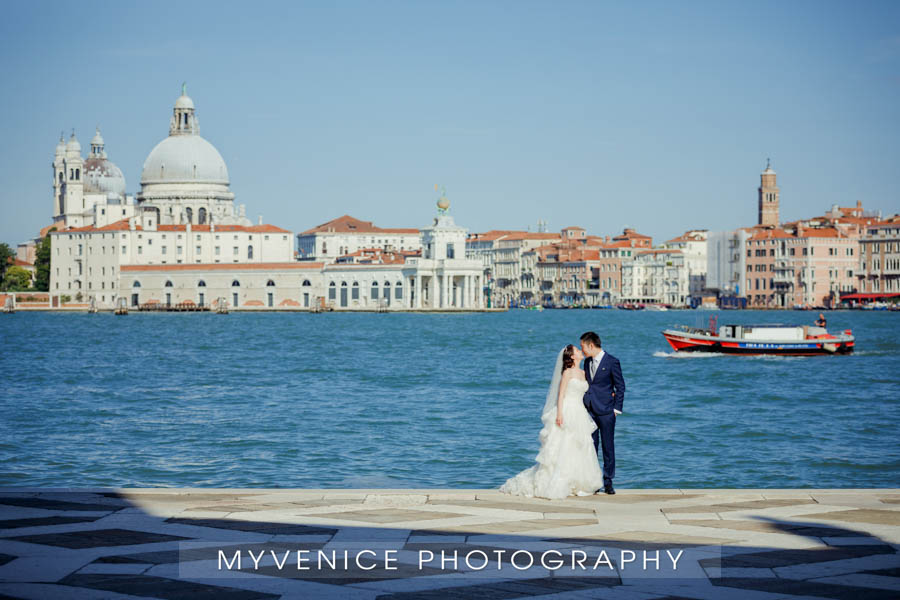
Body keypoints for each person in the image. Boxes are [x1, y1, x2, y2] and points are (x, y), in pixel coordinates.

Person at [500, 345, 605, 499]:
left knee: (580, 446)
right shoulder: (567, 373)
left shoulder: (583, 373)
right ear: (571, 357)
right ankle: (560, 482)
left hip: (580, 412)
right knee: (564, 446)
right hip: (567, 410)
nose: (580, 351)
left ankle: (578, 483)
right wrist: (560, 414)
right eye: (577, 350)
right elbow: (561, 395)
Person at [580, 331, 625, 495]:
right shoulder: (586, 362)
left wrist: (616, 409)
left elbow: (620, 387)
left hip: (607, 412)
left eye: (583, 347)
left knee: (608, 447)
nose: (582, 350)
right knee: (591, 447)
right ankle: (593, 481)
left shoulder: (612, 362)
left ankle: (608, 481)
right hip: (590, 411)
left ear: (591, 345)